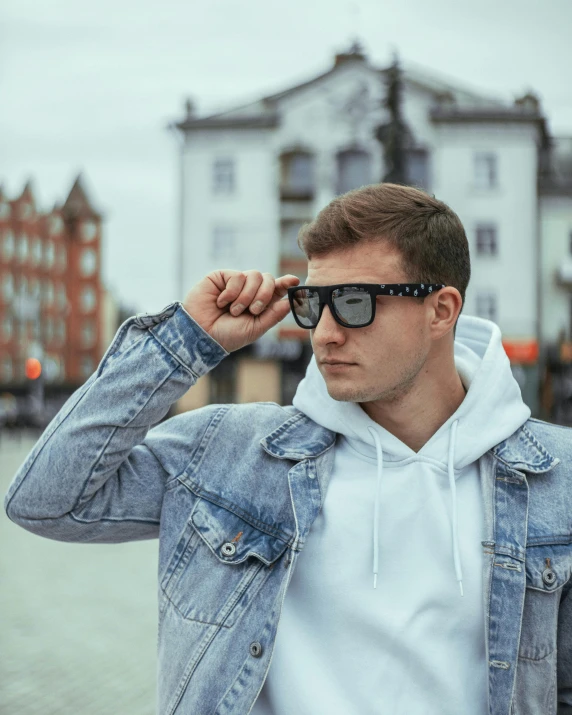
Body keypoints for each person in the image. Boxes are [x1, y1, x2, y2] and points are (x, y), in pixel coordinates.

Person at [4, 183, 572, 715]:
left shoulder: (558, 480)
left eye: (353, 302)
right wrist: (187, 339)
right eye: (312, 303)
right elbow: (46, 501)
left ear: (441, 310)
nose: (323, 332)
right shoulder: (231, 453)